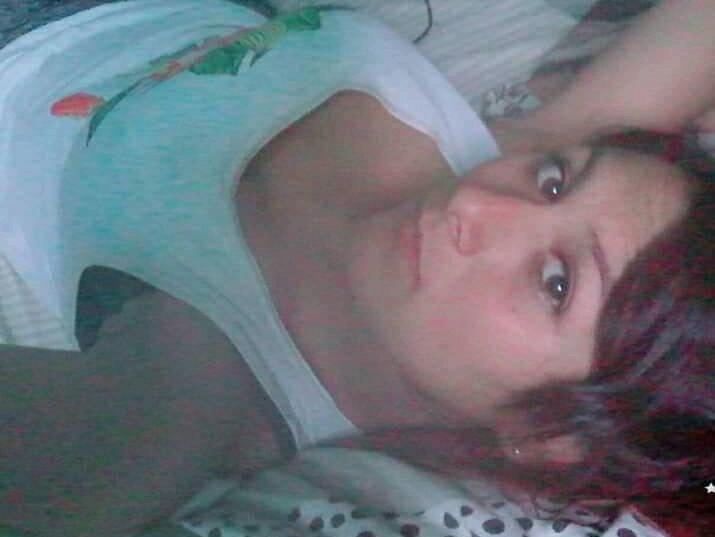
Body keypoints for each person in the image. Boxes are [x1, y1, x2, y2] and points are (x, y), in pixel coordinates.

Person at [0, 1, 712, 537]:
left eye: (554, 283)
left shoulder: (194, 401)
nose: (476, 202)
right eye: (557, 182)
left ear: (550, 439)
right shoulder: (522, 152)